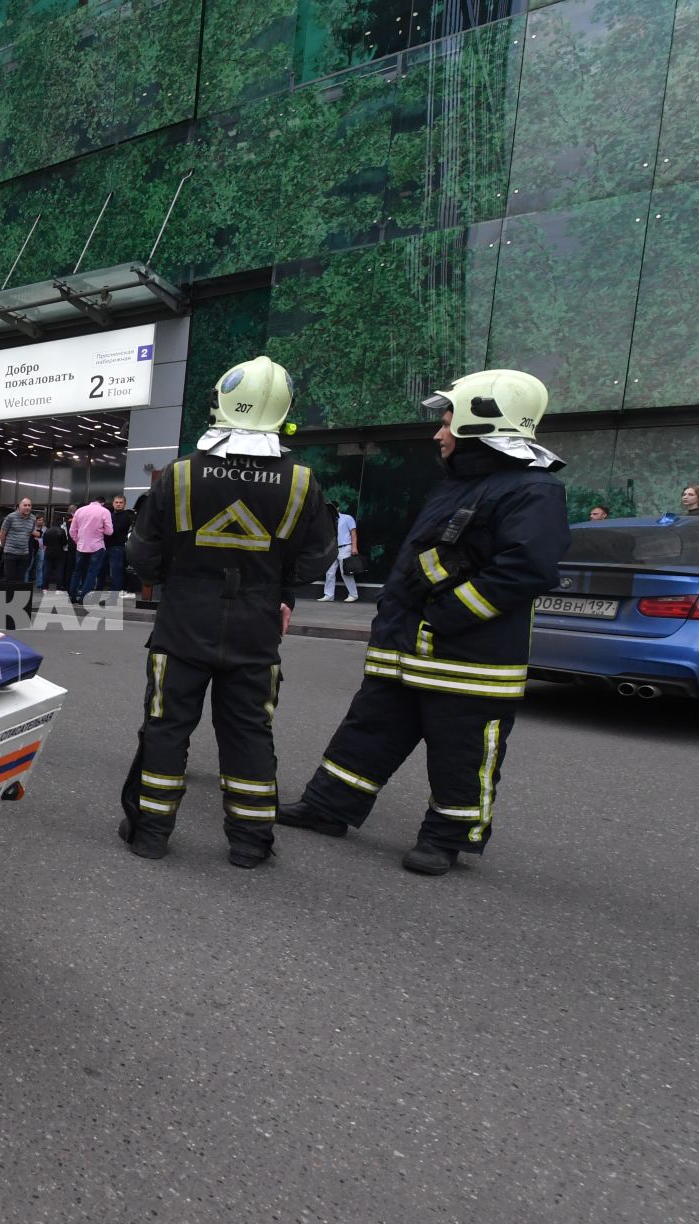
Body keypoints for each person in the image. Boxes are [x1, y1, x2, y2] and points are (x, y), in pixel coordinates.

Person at [278, 369, 569, 877]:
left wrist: (449, 614)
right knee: (368, 730)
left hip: (468, 660)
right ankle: (327, 808)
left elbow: (528, 569)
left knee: (462, 753)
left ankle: (446, 839)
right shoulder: (460, 485)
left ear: (481, 424)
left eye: (448, 421)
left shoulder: (532, 489)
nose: (438, 433)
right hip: (404, 650)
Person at [119, 355, 336, 867]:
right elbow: (317, 558)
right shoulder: (303, 482)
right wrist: (275, 585)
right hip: (256, 627)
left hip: (182, 624)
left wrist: (182, 571)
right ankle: (249, 843)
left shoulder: (180, 475)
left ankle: (151, 833)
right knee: (249, 733)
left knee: (167, 726)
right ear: (282, 411)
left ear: (221, 402)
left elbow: (142, 556)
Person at [69, 496, 112, 604]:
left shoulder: (79, 511)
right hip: (97, 547)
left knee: (77, 572)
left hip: (81, 546)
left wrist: (78, 541)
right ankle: (84, 598)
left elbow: (72, 531)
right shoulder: (104, 511)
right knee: (92, 573)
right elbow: (109, 532)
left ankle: (72, 596)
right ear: (102, 503)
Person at [320, 502, 360, 601]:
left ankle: (353, 594)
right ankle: (329, 595)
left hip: (345, 547)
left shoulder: (347, 518)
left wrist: (354, 547)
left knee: (345, 571)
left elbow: (353, 533)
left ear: (337, 508)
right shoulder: (327, 521)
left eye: (332, 508)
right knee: (329, 572)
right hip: (333, 549)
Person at [0, 497, 37, 585]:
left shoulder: (33, 518)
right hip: (10, 553)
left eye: (29, 505)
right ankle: (8, 598)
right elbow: (2, 534)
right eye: (25, 505)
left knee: (20, 580)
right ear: (20, 506)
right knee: (10, 580)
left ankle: (18, 599)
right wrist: (6, 547)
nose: (27, 507)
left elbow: (29, 533)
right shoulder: (11, 517)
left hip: (24, 554)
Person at [105, 494, 133, 596]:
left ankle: (115, 594)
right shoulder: (110, 515)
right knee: (107, 571)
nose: (118, 504)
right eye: (116, 502)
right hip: (107, 546)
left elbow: (115, 529)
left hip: (117, 547)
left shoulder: (126, 516)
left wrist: (104, 528)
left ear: (124, 504)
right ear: (113, 503)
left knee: (116, 572)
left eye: (121, 503)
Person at [42, 505, 73, 592]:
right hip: (59, 552)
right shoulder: (61, 531)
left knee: (47, 569)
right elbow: (64, 543)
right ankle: (58, 588)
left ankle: (45, 587)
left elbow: (44, 543)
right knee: (59, 570)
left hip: (48, 551)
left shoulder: (47, 530)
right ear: (60, 522)